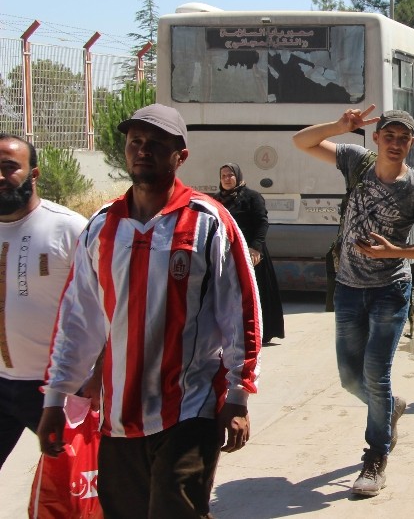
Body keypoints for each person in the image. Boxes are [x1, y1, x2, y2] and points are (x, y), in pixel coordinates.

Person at [38, 104, 261, 519]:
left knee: (176, 510)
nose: (143, 150)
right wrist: (57, 397)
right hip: (118, 418)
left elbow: (241, 311)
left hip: (189, 408)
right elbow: (78, 321)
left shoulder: (209, 222)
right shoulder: (102, 227)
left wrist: (238, 395)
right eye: (135, 142)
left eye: (156, 143)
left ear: (181, 156)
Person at [292, 106, 414, 497]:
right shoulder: (356, 162)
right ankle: (390, 408)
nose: (395, 144)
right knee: (349, 379)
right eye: (388, 136)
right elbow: (300, 141)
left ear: (411, 143)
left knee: (376, 375)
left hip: (390, 291)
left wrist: (396, 251)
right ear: (376, 139)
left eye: (403, 138)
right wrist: (340, 127)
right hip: (347, 286)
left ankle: (375, 458)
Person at [0, 134, 87, 470]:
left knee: (82, 484)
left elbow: (104, 306)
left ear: (33, 174)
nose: (1, 177)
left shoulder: (68, 228)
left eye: (10, 168)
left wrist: (96, 378)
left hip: (57, 390)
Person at [213, 162, 285, 344]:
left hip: (251, 253)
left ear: (238, 176)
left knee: (255, 292)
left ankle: (260, 332)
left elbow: (262, 223)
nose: (227, 179)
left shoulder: (252, 197)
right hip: (227, 253)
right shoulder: (216, 200)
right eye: (223, 176)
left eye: (230, 175)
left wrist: (256, 248)